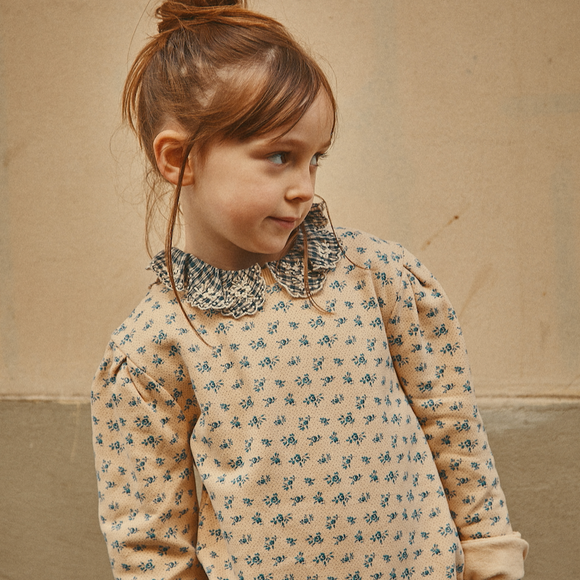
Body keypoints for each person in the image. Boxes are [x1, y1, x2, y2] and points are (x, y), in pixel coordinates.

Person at [90, 1, 528, 579]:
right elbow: (151, 542)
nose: (305, 187)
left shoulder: (373, 276)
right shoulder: (153, 349)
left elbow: (451, 421)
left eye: (314, 158)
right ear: (180, 159)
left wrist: (490, 550)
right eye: (280, 156)